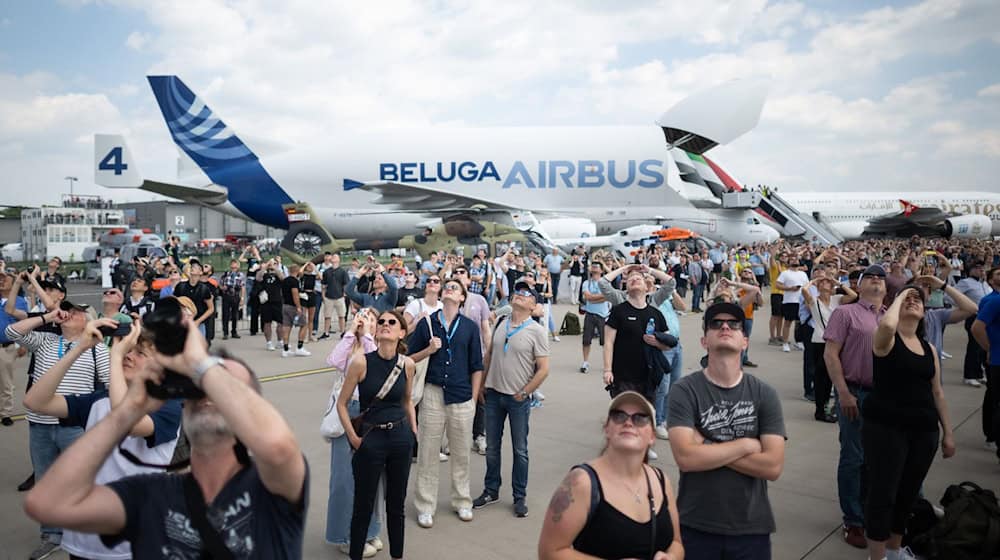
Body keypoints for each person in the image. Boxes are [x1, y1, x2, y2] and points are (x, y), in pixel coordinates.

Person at [24, 316, 309, 558]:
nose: (207, 391)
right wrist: (126, 411)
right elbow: (46, 504)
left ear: (251, 409)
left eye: (225, 385)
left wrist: (199, 363)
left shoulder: (270, 487)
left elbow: (278, 448)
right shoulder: (150, 493)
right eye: (198, 386)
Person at [23, 318, 182, 560]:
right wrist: (78, 348)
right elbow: (35, 401)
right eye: (128, 350)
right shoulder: (99, 401)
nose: (128, 355)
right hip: (82, 537)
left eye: (140, 353)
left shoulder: (168, 407)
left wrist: (115, 358)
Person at [667, 302, 786, 558]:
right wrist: (746, 445)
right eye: (715, 323)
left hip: (752, 527)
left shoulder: (764, 394)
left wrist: (705, 446)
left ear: (745, 341)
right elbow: (686, 458)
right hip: (696, 524)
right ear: (704, 340)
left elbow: (772, 466)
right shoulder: (684, 391)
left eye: (734, 324)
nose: (725, 327)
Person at [6, 301, 111, 559]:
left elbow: (112, 385)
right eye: (67, 310)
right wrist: (47, 316)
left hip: (76, 427)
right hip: (40, 423)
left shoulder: (97, 349)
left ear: (88, 320)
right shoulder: (45, 340)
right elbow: (12, 333)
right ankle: (52, 535)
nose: (69, 314)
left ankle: (81, 531)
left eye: (77, 312)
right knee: (45, 480)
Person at [865, 286, 956, 560]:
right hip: (886, 428)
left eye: (918, 300)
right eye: (908, 299)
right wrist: (905, 293)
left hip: (923, 430)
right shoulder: (885, 340)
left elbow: (937, 392)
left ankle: (894, 550)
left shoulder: (928, 348)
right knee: (884, 493)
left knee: (907, 494)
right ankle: (877, 556)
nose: (913, 301)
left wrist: (948, 433)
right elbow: (888, 324)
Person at [538, 391, 683, 559]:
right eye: (619, 416)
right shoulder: (582, 482)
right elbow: (549, 552)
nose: (629, 422)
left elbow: (677, 543)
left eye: (640, 418)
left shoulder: (660, 480)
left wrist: (671, 557)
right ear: (607, 429)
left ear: (652, 436)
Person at [335, 309, 416, 560]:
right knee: (363, 506)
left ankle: (397, 556)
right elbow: (342, 403)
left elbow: (407, 401)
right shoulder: (361, 361)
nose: (384, 324)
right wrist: (354, 438)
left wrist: (413, 432)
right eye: (381, 322)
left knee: (396, 506)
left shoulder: (407, 364)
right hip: (371, 440)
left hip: (400, 438)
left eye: (392, 322)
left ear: (401, 332)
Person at [407, 278, 484, 527]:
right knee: (428, 452)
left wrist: (473, 398)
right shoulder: (426, 324)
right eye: (447, 287)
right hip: (432, 392)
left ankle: (462, 500)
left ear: (462, 297)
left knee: (461, 453)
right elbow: (409, 358)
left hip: (462, 396)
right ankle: (425, 504)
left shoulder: (470, 327)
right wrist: (428, 350)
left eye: (455, 288)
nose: (450, 289)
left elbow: (477, 366)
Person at [823, 264, 887, 549]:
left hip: (884, 397)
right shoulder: (845, 313)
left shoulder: (890, 317)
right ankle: (854, 520)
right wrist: (844, 393)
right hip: (855, 393)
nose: (876, 280)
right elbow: (831, 354)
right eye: (870, 277)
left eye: (881, 278)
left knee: (878, 459)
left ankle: (870, 510)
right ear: (858, 286)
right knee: (853, 457)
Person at [472, 280, 549, 517]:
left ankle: (519, 496)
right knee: (492, 447)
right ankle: (491, 489)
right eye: (518, 291)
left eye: (526, 294)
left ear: (534, 304)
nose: (520, 295)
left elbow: (544, 368)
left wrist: (525, 392)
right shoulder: (502, 323)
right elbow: (490, 356)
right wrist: (483, 383)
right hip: (494, 394)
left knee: (520, 449)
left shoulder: (536, 330)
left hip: (517, 399)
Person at [325, 308, 383, 558]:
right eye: (361, 316)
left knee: (369, 477)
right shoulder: (349, 345)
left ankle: (369, 531)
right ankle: (344, 536)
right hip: (347, 410)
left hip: (370, 413)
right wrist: (351, 333)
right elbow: (334, 361)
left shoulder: (378, 347)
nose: (364, 321)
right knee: (343, 478)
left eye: (370, 318)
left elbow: (374, 369)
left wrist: (368, 336)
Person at [603, 267, 671, 403]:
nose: (634, 279)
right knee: (625, 417)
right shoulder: (618, 311)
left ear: (647, 286)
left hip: (648, 377)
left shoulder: (655, 313)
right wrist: (607, 370)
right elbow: (608, 342)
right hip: (623, 376)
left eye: (638, 278)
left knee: (644, 417)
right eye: (630, 279)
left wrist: (657, 343)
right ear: (626, 287)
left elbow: (668, 344)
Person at [801, 275, 854, 423]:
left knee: (831, 376)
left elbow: (853, 295)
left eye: (828, 283)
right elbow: (804, 290)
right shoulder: (814, 301)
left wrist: (838, 283)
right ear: (818, 287)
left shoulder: (837, 299)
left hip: (835, 340)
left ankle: (824, 407)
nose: (826, 284)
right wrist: (814, 281)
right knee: (821, 377)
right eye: (823, 283)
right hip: (819, 340)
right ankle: (820, 409)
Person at [971, 266, 1000, 460]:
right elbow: (977, 327)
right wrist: (989, 348)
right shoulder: (993, 301)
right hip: (996, 358)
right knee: (995, 400)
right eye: (998, 274)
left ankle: (992, 433)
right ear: (990, 280)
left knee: (993, 396)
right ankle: (994, 437)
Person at [0, 270, 28, 426]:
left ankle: (5, 413)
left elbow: (23, 326)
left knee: (6, 383)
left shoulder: (19, 301)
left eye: (5, 280)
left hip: (6, 348)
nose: (1, 282)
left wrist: (23, 344)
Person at [956, 260, 991, 387]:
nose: (981, 270)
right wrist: (964, 308)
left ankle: (979, 374)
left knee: (982, 348)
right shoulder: (965, 282)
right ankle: (969, 375)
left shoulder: (985, 283)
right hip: (974, 317)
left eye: (982, 267)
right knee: (974, 347)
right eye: (977, 268)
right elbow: (950, 297)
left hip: (987, 318)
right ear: (970, 270)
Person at [580, 262, 610, 374]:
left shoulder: (605, 283)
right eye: (593, 266)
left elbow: (607, 296)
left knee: (605, 342)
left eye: (597, 266)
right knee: (586, 340)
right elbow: (587, 297)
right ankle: (585, 362)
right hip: (590, 314)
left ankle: (607, 364)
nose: (594, 268)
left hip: (603, 315)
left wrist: (593, 298)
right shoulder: (586, 283)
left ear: (601, 271)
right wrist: (600, 297)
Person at [172, 261, 215, 337]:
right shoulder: (181, 286)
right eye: (192, 266)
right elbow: (174, 302)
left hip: (198, 324)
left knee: (198, 347)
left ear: (201, 272)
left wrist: (198, 321)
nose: (192, 268)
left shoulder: (204, 289)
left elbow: (211, 309)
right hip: (183, 324)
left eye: (196, 267)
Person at [776, 258, 809, 352]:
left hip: (801, 301)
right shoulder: (785, 273)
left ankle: (799, 341)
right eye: (792, 260)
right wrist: (790, 288)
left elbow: (807, 285)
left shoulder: (803, 273)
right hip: (789, 301)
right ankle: (785, 343)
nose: (795, 261)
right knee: (788, 322)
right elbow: (778, 285)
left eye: (796, 260)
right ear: (788, 263)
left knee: (800, 323)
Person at [280, 264, 311, 357]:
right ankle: (300, 347)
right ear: (297, 271)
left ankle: (285, 349)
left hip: (285, 305)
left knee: (286, 326)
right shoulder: (294, 281)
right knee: (304, 324)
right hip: (293, 306)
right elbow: (295, 294)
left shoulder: (285, 280)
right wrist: (298, 306)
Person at [321, 253, 351, 339]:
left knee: (341, 316)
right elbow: (324, 285)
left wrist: (344, 295)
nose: (333, 257)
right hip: (328, 297)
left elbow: (346, 285)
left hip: (340, 297)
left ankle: (343, 332)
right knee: (327, 316)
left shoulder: (343, 272)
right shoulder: (326, 272)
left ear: (339, 260)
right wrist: (323, 296)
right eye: (332, 256)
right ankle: (326, 332)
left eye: (335, 256)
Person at [258, 258, 285, 351]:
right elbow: (258, 277)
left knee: (280, 322)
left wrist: (275, 267)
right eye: (270, 263)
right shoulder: (264, 274)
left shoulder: (278, 274)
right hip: (266, 302)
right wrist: (266, 265)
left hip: (277, 300)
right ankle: (269, 342)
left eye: (274, 263)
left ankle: (280, 341)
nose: (271, 265)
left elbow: (282, 278)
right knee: (267, 322)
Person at [219, 258, 246, 340]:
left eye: (235, 265)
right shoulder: (226, 274)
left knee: (235, 315)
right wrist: (222, 288)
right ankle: (225, 333)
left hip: (235, 295)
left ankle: (234, 331)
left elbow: (243, 287)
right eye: (232, 265)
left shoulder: (241, 275)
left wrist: (242, 298)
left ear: (238, 266)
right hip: (227, 295)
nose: (234, 267)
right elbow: (220, 284)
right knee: (225, 315)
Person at [300, 261, 319, 343]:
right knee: (304, 317)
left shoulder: (313, 276)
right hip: (304, 294)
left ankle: (310, 335)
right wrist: (305, 264)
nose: (309, 268)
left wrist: (314, 267)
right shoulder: (303, 275)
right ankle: (303, 336)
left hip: (312, 294)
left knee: (311, 318)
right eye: (308, 267)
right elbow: (300, 272)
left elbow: (320, 277)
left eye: (310, 267)